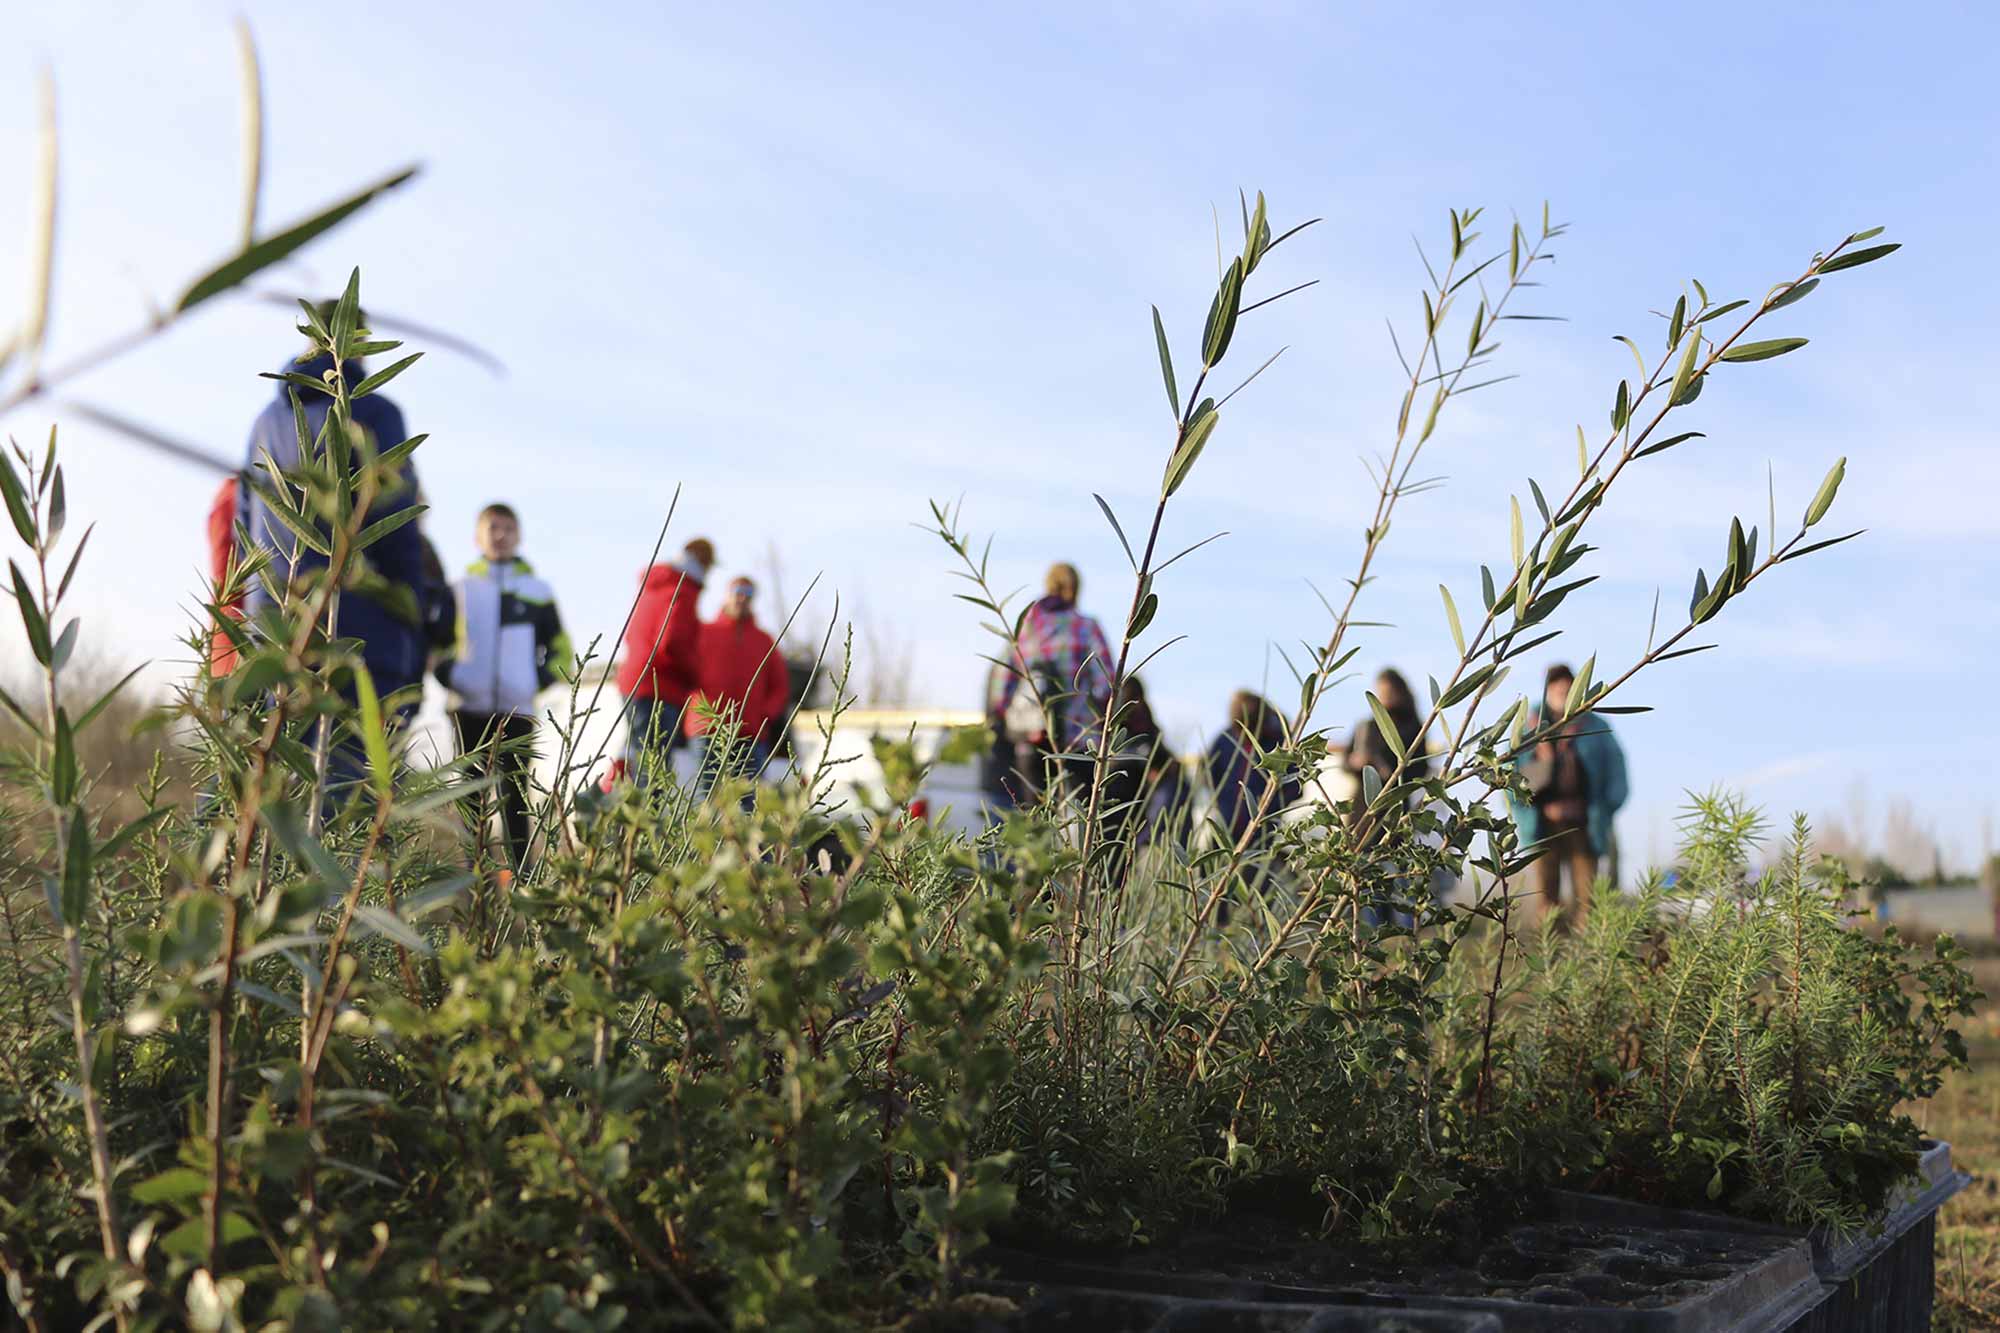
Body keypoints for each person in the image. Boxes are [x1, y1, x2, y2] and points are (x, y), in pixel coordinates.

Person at [237, 312, 438, 794]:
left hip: (276, 623)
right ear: (357, 341)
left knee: (276, 784)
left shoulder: (266, 421)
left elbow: (244, 524)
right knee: (348, 795)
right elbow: (395, 522)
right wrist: (411, 621)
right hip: (358, 630)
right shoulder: (375, 411)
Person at [437, 504, 571, 870]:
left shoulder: (538, 591)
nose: (500, 535)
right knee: (471, 800)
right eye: (492, 528)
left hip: (518, 711)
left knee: (515, 799)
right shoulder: (461, 590)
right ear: (477, 537)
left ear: (519, 535)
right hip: (467, 709)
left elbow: (562, 651)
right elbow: (436, 645)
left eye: (507, 528)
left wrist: (532, 682)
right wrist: (453, 676)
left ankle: (521, 882)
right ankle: (476, 883)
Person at [1510, 663, 1630, 927]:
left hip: (1585, 823)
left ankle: (1588, 945)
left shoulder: (1595, 725)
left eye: (1568, 687)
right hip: (1542, 824)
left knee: (1589, 896)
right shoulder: (1529, 727)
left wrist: (1606, 807)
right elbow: (1510, 776)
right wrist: (1520, 808)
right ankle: (1548, 945)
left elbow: (1617, 770)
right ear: (1547, 690)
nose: (1562, 691)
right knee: (1546, 896)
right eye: (1556, 687)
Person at [987, 562, 1115, 805]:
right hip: (1078, 738)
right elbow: (1106, 683)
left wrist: (1004, 715)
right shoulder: (1086, 627)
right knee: (1084, 814)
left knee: (1036, 814)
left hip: (1032, 734)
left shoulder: (1026, 627)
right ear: (1076, 588)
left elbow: (1002, 679)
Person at [615, 537, 713, 784]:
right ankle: (644, 812)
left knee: (639, 758)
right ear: (703, 562)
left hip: (633, 680)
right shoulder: (684, 590)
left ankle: (622, 807)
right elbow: (672, 641)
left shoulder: (655, 586)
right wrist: (697, 676)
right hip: (659, 688)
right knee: (654, 767)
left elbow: (632, 634)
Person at [684, 575, 790, 794]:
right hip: (707, 729)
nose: (742, 598)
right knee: (707, 797)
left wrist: (764, 714)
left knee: (748, 800)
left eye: (748, 594)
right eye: (737, 592)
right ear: (726, 595)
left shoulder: (764, 641)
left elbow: (780, 687)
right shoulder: (703, 633)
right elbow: (684, 673)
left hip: (749, 733)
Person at [1205, 690, 1299, 846]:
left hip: (1263, 828)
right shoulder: (1225, 740)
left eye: (1247, 730)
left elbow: (1296, 785)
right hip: (1225, 823)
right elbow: (1208, 775)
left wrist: (1271, 807)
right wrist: (1220, 802)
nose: (1242, 735)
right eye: (1238, 730)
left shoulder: (1281, 745)